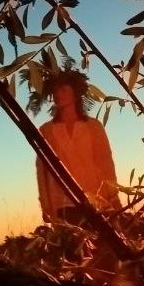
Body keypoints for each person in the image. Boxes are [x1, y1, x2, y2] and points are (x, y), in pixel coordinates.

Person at [35, 68, 121, 225]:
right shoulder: (45, 130)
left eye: (63, 89)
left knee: (104, 248)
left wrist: (114, 197)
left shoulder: (94, 126)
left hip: (98, 201)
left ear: (76, 92)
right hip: (63, 204)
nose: (57, 94)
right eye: (55, 91)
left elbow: (106, 163)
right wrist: (45, 205)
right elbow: (42, 171)